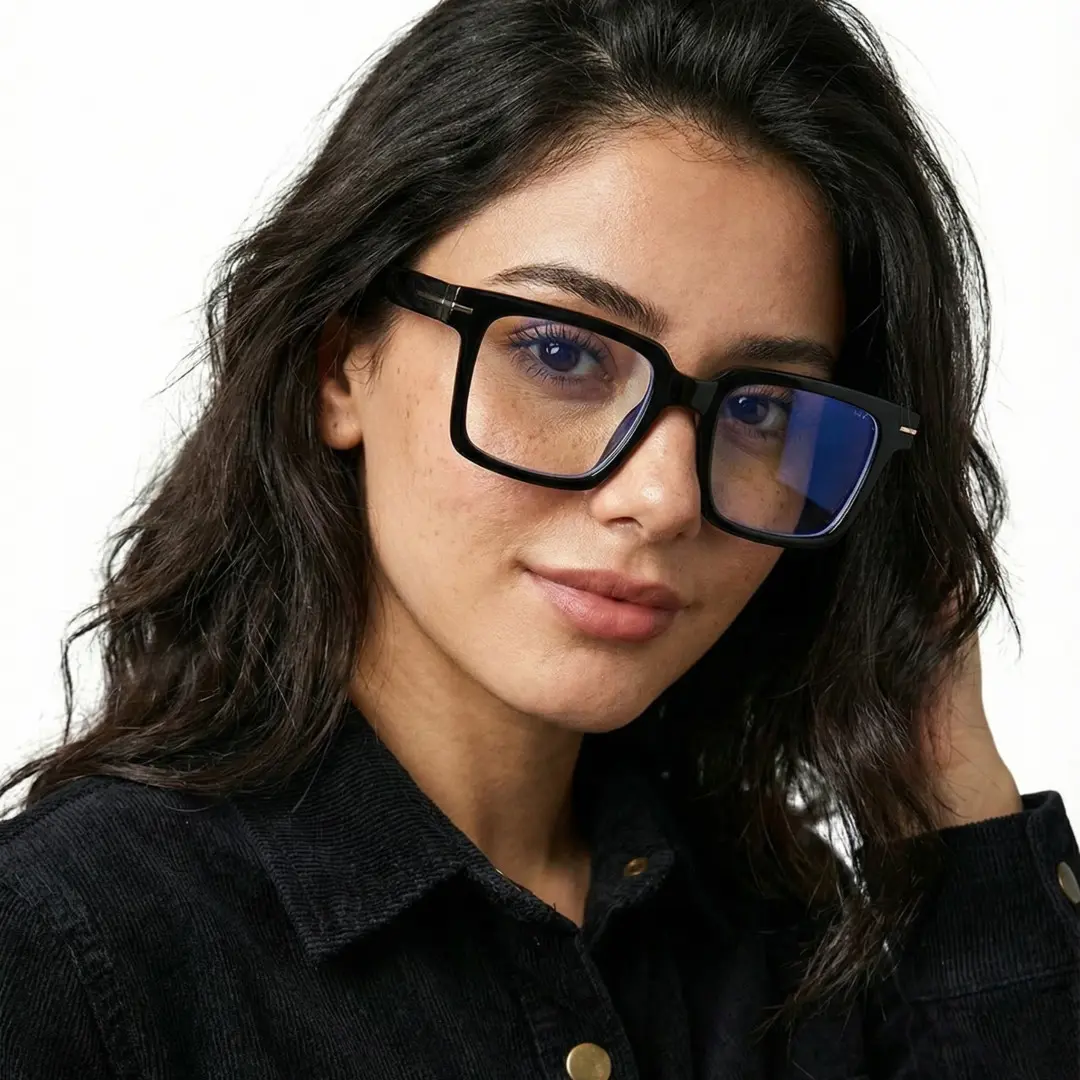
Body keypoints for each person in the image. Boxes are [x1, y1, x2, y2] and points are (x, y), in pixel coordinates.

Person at [1, 0, 1078, 1076]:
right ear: (340, 367)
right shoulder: (68, 951)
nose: (664, 498)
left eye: (760, 411)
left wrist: (949, 787)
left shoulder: (776, 938)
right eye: (562, 354)